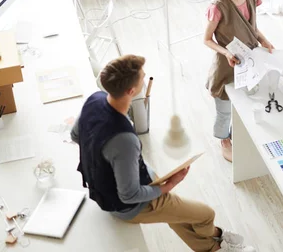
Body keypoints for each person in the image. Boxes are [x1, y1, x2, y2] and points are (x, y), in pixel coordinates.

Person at [71, 55, 255, 252]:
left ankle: (215, 249)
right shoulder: (124, 139)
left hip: (109, 188)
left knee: (178, 216)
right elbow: (129, 195)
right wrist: (170, 185)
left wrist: (105, 157)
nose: (145, 78)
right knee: (205, 215)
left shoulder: (94, 100)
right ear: (132, 91)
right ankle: (216, 237)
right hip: (130, 205)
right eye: (142, 77)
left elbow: (75, 135)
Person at [204, 0, 274, 162]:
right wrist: (225, 52)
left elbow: (252, 27)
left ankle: (237, 133)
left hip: (249, 61)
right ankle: (224, 140)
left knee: (244, 101)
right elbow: (206, 39)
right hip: (227, 66)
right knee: (224, 107)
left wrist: (263, 40)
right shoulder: (218, 6)